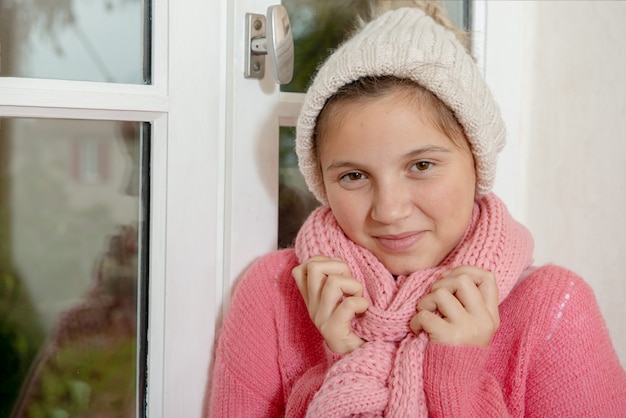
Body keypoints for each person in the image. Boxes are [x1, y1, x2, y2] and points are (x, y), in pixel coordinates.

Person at [207, 2, 626, 417]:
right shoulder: (273, 294)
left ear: (477, 163)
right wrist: (345, 361)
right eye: (353, 176)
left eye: (421, 166)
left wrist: (455, 384)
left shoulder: (553, 309)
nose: (388, 210)